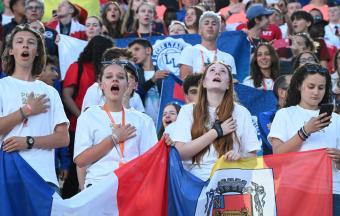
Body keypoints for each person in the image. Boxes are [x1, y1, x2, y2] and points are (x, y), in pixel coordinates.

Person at [0, 24, 69, 192]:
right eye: (19, 41)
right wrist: (26, 111)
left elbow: (63, 138)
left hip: (43, 176)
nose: (25, 45)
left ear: (37, 51)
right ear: (11, 50)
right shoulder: (2, 86)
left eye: (31, 42)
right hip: (9, 175)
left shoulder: (50, 91)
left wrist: (29, 142)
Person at [268, 63, 340, 215]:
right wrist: (306, 131)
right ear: (299, 86)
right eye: (311, 86)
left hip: (332, 189)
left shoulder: (337, 119)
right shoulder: (284, 114)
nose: (316, 92)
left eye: (321, 88)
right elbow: (278, 154)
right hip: (297, 189)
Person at [73, 60, 158, 188]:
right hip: (98, 187)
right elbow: (80, 160)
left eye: (120, 77)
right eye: (109, 77)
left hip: (132, 189)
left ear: (127, 84)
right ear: (101, 84)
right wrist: (114, 138)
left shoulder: (144, 121)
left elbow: (152, 163)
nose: (115, 80)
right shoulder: (89, 116)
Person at [172, 62, 260, 181]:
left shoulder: (242, 112)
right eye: (212, 70)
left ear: (228, 84)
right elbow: (180, 153)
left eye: (223, 71)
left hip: (231, 179)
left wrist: (240, 157)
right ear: (204, 83)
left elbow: (253, 157)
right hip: (196, 182)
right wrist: (216, 132)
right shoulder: (187, 110)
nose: (217, 72)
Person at [62, 35, 113, 198]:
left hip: (103, 128)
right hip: (77, 126)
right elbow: (67, 95)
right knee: (76, 164)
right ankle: (70, 199)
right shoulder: (77, 67)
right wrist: (82, 117)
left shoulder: (106, 71)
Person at [179, 11, 237, 80]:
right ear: (200, 31)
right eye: (206, 23)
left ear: (219, 33)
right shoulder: (188, 51)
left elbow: (231, 85)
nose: (210, 26)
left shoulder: (228, 58)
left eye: (214, 24)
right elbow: (184, 82)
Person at [128, 38, 168, 124]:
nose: (133, 54)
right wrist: (152, 80)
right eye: (130, 52)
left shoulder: (163, 72)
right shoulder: (133, 75)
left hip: (163, 123)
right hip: (143, 123)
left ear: (148, 50)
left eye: (137, 49)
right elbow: (134, 95)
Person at [257, 74, 292, 154]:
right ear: (282, 92)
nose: (300, 91)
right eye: (294, 87)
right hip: (274, 165)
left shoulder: (302, 114)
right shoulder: (266, 117)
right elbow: (275, 147)